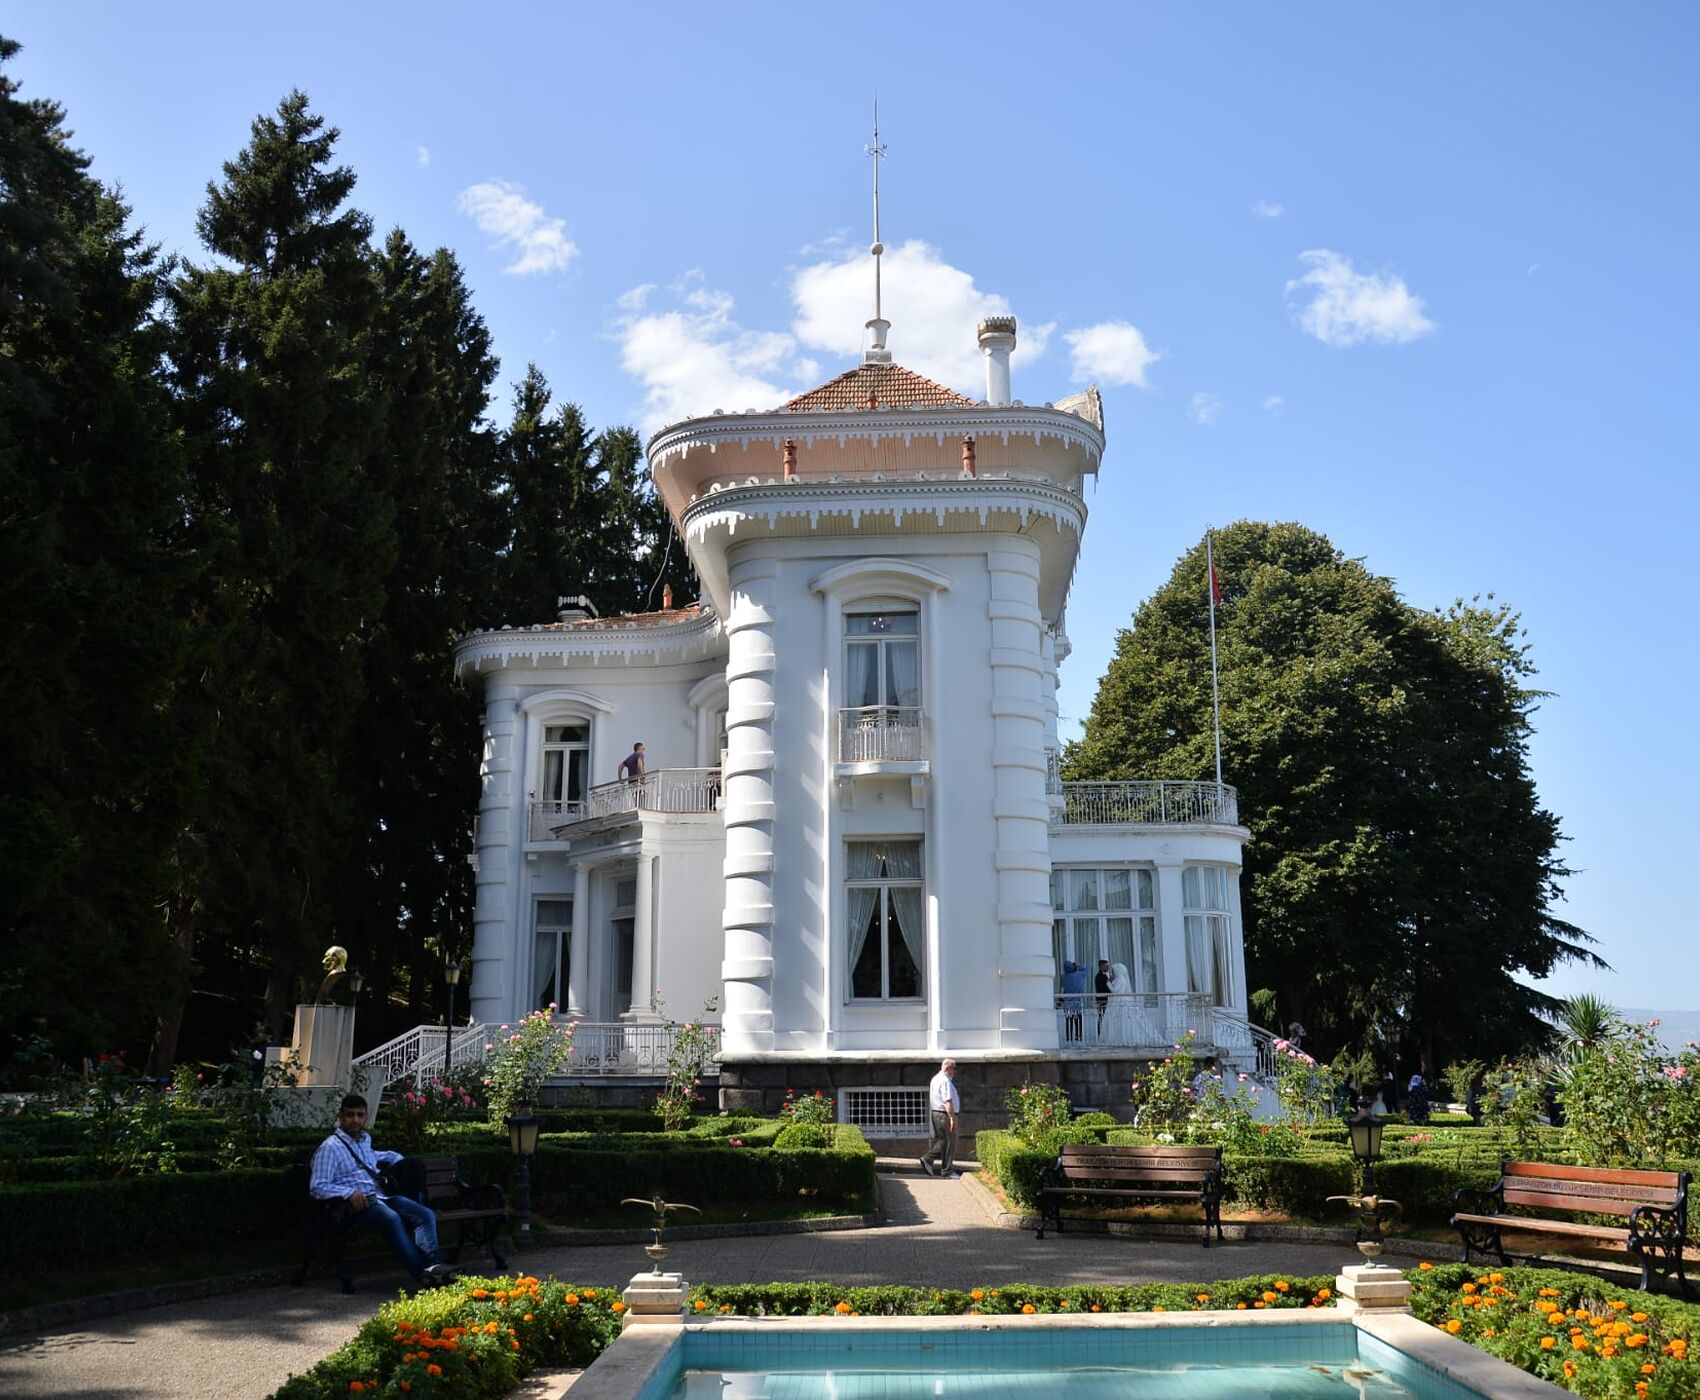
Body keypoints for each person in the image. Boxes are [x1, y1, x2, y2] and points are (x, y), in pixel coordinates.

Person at [310, 1093, 453, 1288]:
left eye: (360, 1115)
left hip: (381, 1197)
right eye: (350, 1115)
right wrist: (348, 1193)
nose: (355, 1120)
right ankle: (423, 1272)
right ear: (340, 1117)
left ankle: (435, 1268)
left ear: (366, 1117)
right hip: (354, 1207)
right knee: (391, 1218)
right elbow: (317, 1186)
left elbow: (370, 1158)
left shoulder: (364, 1140)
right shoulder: (330, 1148)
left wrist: (396, 1158)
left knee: (425, 1215)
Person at [918, 1058, 960, 1179]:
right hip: (944, 1114)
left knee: (944, 1140)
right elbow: (947, 1101)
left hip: (937, 1113)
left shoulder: (935, 1078)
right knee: (950, 1141)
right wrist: (952, 1117)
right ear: (948, 1068)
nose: (955, 1071)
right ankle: (945, 1169)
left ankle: (932, 1162)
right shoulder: (945, 1081)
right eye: (954, 1068)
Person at [1102, 962, 1137, 1045]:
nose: (1112, 972)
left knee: (1120, 1020)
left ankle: (1121, 1039)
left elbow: (1114, 991)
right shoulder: (1117, 979)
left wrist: (1108, 983)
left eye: (1113, 971)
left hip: (1119, 1001)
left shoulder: (1121, 979)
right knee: (1115, 1020)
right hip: (1115, 1001)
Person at [1060, 960, 1087, 1042]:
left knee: (1069, 1023)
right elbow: (1086, 970)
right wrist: (1079, 965)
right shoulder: (1079, 975)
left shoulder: (1063, 978)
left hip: (1068, 1005)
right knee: (1078, 1023)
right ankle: (1079, 1039)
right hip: (1078, 1004)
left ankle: (1069, 1039)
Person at [1094, 959, 1113, 1032]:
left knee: (1104, 1018)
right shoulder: (1099, 977)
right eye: (1106, 966)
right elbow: (1103, 989)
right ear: (1101, 967)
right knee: (1101, 1017)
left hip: (1104, 1000)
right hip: (1102, 1000)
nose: (1108, 968)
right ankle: (1100, 1033)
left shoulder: (1104, 976)